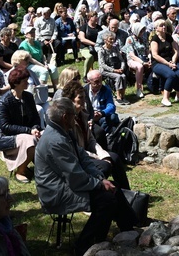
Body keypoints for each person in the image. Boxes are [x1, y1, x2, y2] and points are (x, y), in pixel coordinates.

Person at [35, 98, 138, 256]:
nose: (75, 118)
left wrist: (100, 178)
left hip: (67, 183)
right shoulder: (55, 140)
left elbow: (83, 159)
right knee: (106, 200)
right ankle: (84, 246)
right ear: (65, 117)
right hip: (55, 192)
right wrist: (99, 184)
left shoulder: (64, 132)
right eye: (73, 115)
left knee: (112, 187)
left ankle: (129, 230)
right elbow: (75, 177)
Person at [61, 81, 130, 189]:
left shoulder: (82, 115)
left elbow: (91, 140)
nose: (84, 101)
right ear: (71, 100)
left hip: (87, 153)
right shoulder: (67, 121)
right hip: (77, 158)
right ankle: (97, 190)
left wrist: (104, 155)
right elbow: (76, 149)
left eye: (84, 97)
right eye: (80, 98)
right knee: (104, 166)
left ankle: (127, 193)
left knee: (114, 158)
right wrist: (99, 158)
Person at [0, 67, 41, 182]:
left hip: (26, 133)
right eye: (24, 80)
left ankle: (44, 168)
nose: (27, 82)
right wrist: (29, 131)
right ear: (16, 83)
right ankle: (20, 171)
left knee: (45, 135)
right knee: (30, 141)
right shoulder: (3, 103)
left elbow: (35, 118)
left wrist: (35, 128)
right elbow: (5, 127)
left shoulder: (28, 97)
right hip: (6, 138)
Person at [150, 19, 179, 107]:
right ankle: (165, 98)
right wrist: (168, 64)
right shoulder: (154, 39)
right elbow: (155, 55)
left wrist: (173, 61)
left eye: (165, 25)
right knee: (171, 75)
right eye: (161, 25)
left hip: (171, 60)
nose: (164, 27)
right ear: (156, 28)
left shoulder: (169, 37)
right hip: (158, 63)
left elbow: (175, 51)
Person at [98, 32, 128, 105]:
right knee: (118, 77)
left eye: (113, 39)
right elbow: (102, 64)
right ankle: (118, 97)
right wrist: (114, 70)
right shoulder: (101, 51)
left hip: (116, 68)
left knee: (123, 76)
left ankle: (123, 96)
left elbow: (121, 60)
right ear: (105, 40)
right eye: (110, 39)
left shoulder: (115, 48)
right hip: (105, 70)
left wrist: (122, 68)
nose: (112, 41)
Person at [122, 22, 149, 98]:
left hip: (144, 58)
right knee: (140, 67)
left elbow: (147, 50)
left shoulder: (143, 39)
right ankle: (139, 88)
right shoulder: (129, 39)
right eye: (140, 31)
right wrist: (143, 63)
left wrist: (149, 58)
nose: (142, 33)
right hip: (132, 60)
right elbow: (132, 55)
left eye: (143, 31)